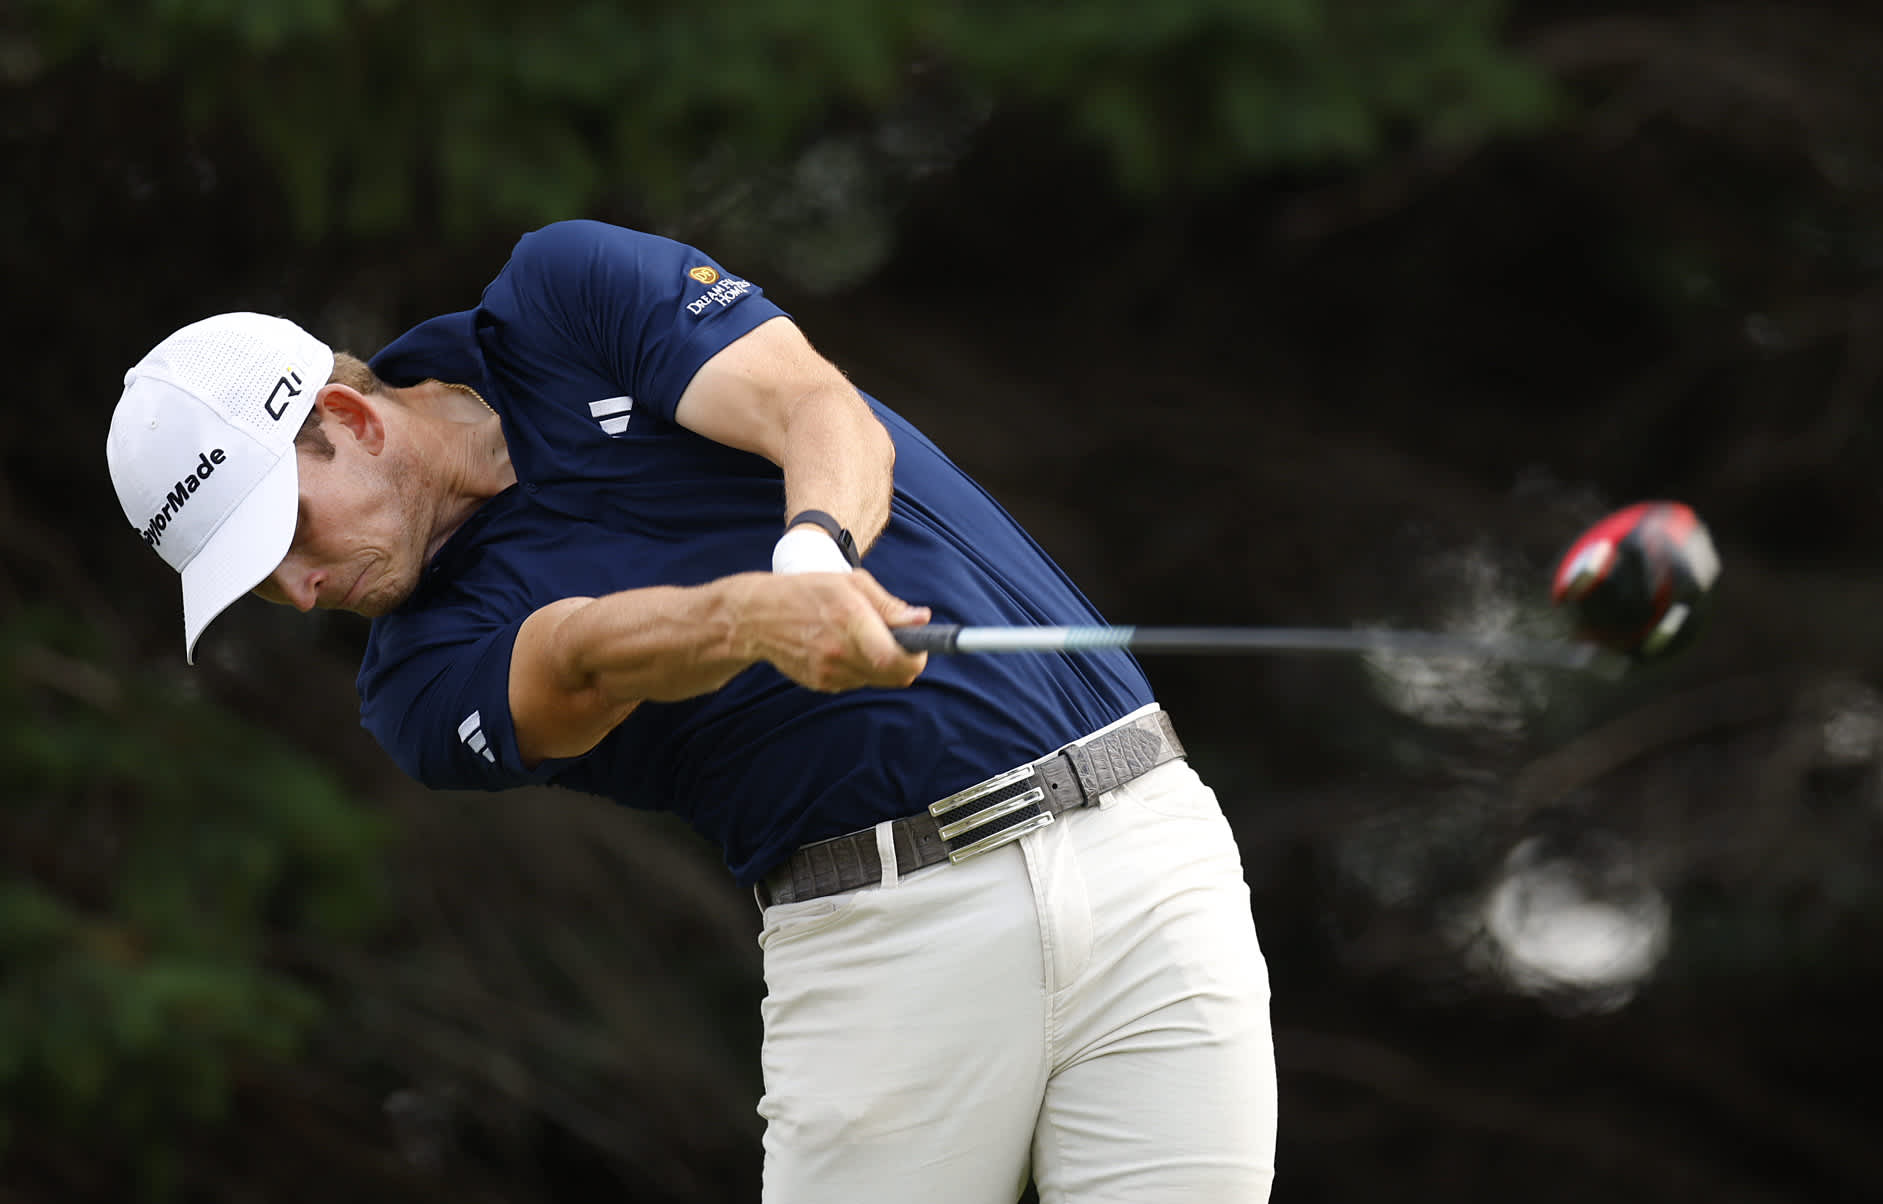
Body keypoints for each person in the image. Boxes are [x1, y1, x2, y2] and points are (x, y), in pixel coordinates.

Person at [105, 219, 1277, 1202]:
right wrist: (745, 619)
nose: (300, 591)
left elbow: (812, 410)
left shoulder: (562, 297)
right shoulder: (413, 682)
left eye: (285, 540)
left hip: (1145, 848)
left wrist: (812, 555)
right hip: (885, 950)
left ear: (349, 423)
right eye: (262, 582)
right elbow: (577, 658)